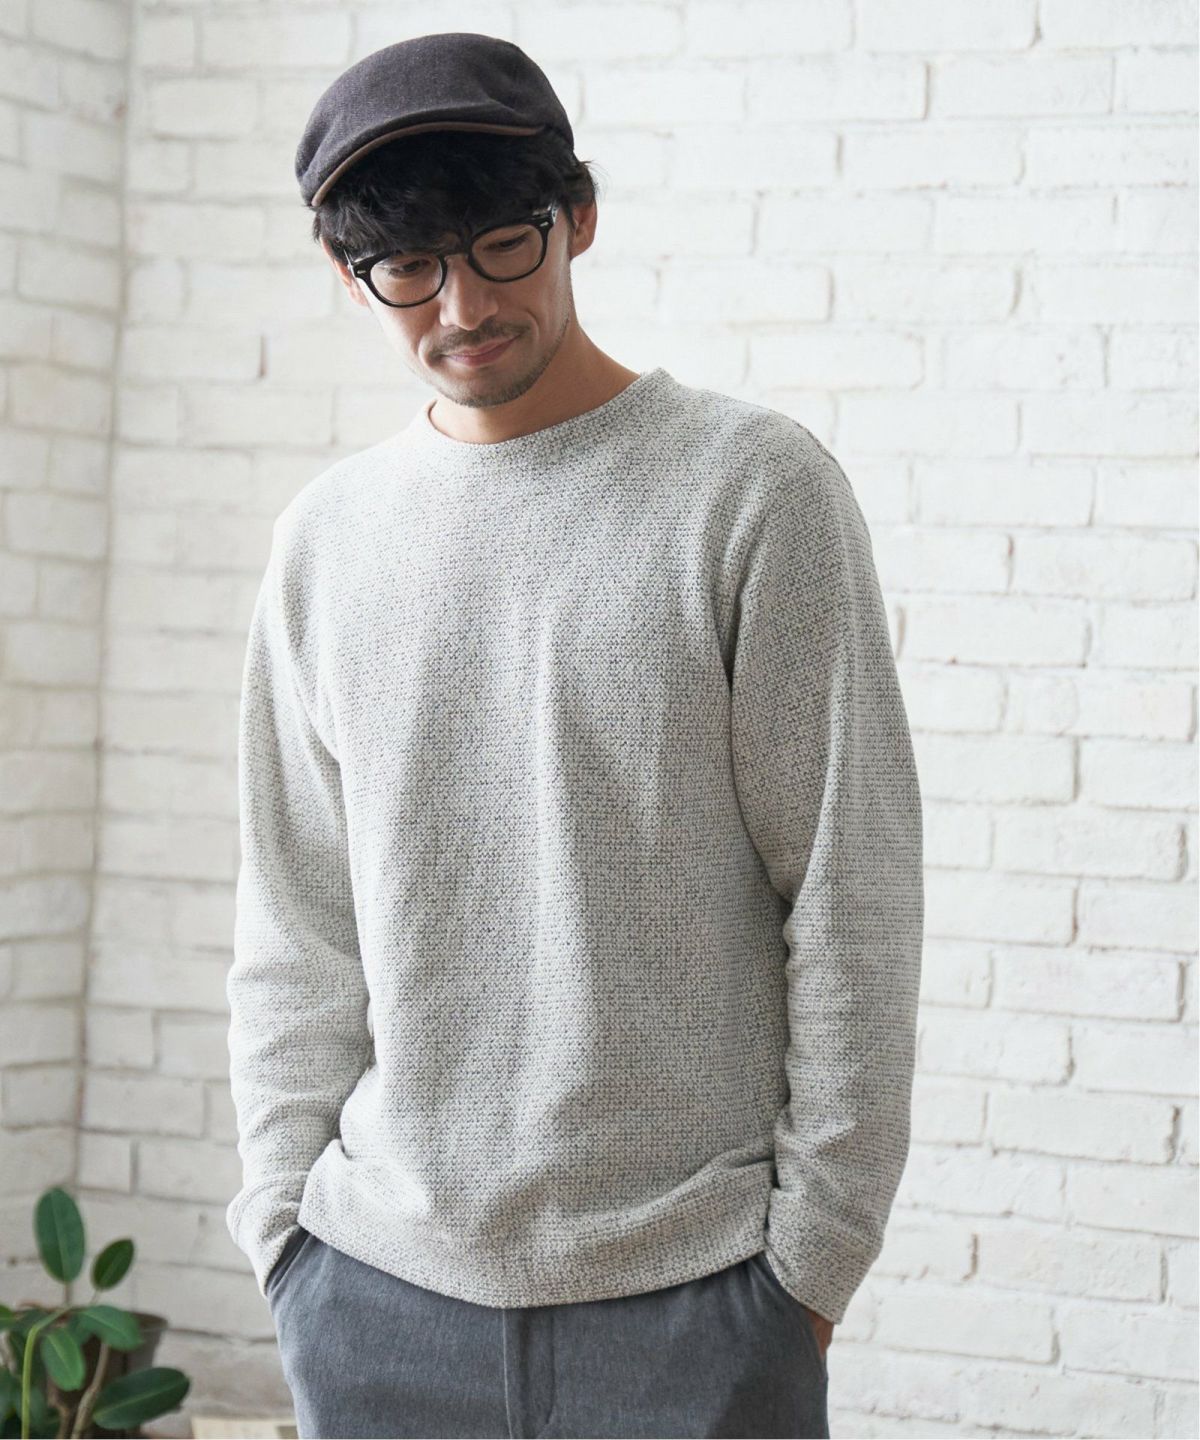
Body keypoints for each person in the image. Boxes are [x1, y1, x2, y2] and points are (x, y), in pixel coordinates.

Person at [225, 30, 924, 1440]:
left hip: (696, 1300)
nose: (463, 305)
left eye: (502, 245)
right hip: (373, 1294)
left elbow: (851, 893)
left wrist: (809, 1267)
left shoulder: (750, 494)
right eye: (408, 268)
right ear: (350, 276)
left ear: (578, 217)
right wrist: (285, 1233)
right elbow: (295, 921)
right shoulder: (327, 542)